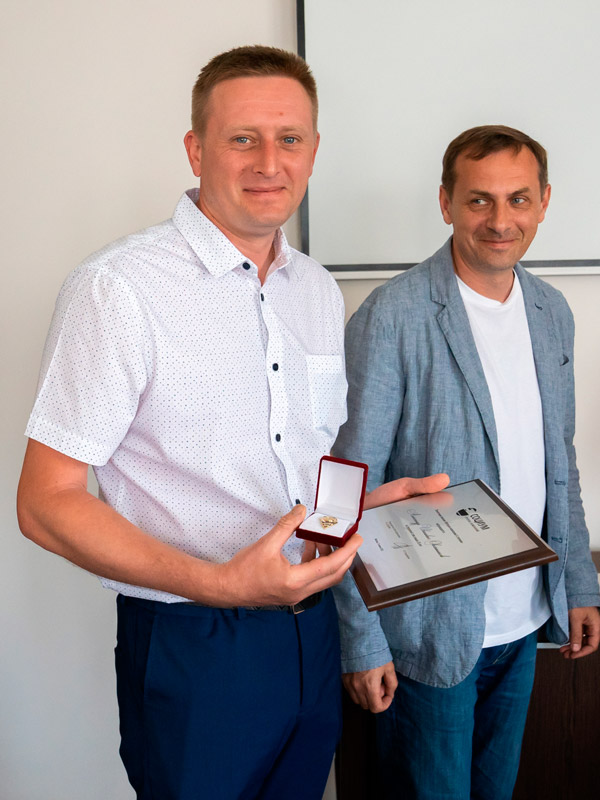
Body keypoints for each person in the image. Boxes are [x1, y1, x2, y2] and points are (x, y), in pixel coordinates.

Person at [16, 45, 445, 800]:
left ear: (314, 151)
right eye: (243, 138)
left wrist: (363, 509)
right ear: (196, 149)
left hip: (313, 631)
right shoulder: (117, 289)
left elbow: (307, 459)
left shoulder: (315, 290)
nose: (269, 162)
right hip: (195, 643)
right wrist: (220, 584)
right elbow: (45, 504)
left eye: (290, 139)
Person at [332, 125, 600, 800]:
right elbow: (343, 484)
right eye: (480, 200)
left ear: (544, 202)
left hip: (525, 622)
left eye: (518, 199)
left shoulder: (551, 311)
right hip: (427, 632)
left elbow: (559, 461)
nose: (500, 221)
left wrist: (580, 585)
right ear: (446, 202)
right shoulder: (392, 315)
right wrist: (361, 640)